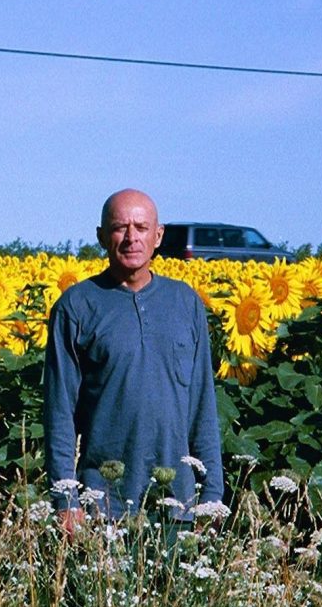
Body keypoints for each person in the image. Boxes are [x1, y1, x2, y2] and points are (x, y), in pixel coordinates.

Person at [43, 189, 223, 535]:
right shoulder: (77, 306)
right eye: (119, 227)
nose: (130, 238)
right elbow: (59, 411)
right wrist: (66, 500)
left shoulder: (185, 302)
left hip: (178, 504)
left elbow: (202, 403)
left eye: (141, 227)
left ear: (158, 236)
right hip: (103, 504)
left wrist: (211, 493)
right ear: (100, 236)